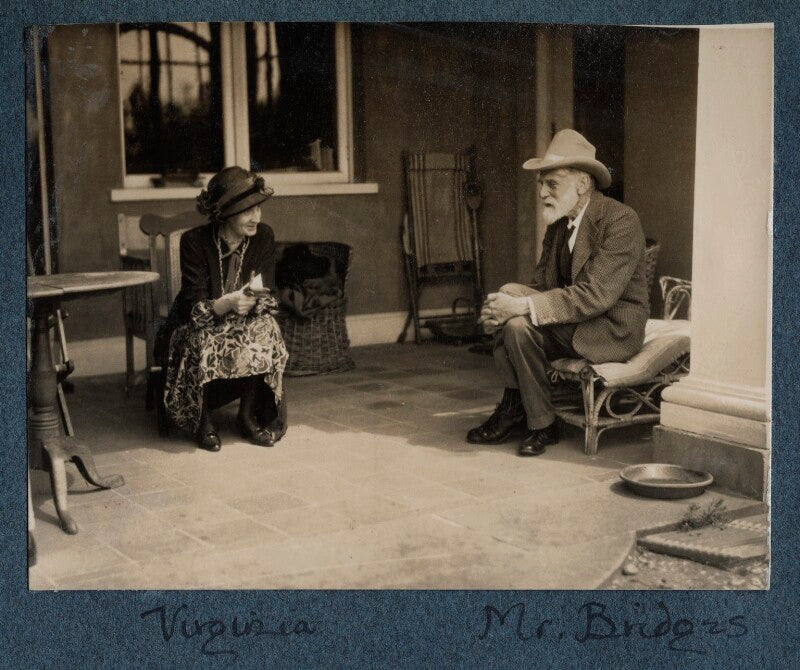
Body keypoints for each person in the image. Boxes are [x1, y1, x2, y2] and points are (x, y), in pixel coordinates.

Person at [466, 129, 649, 457]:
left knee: (517, 321)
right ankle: (529, 416)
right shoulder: (558, 225)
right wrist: (500, 306)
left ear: (582, 184)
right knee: (509, 302)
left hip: (609, 328)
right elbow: (540, 285)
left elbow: (595, 295)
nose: (542, 193)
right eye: (541, 184)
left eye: (551, 184)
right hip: (574, 321)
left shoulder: (620, 221)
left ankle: (530, 418)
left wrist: (519, 307)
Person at [158, 166, 289, 452]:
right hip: (199, 320)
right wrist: (226, 304)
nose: (256, 217)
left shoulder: (263, 236)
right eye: (247, 211)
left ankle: (246, 415)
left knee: (266, 328)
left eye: (258, 208)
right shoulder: (194, 241)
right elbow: (194, 306)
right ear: (225, 213)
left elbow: (268, 292)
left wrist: (255, 301)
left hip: (243, 320)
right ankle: (203, 420)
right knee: (202, 338)